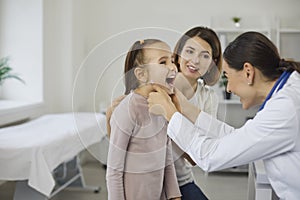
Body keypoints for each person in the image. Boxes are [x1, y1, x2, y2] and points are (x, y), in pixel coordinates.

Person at [147, 31, 300, 200]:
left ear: (248, 73)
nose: (228, 89)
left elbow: (210, 156)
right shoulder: (288, 93)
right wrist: (185, 108)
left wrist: (170, 113)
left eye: (227, 76)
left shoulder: (284, 110)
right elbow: (237, 137)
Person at [106, 39, 181, 200]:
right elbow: (114, 171)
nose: (173, 67)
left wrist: (175, 196)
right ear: (141, 74)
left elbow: (167, 159)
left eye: (172, 61)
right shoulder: (128, 110)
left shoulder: (162, 105)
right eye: (163, 62)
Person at [171, 26, 222, 200]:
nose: (195, 60)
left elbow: (201, 154)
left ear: (212, 64)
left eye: (205, 56)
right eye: (190, 51)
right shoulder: (161, 84)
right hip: (149, 178)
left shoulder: (208, 98)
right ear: (178, 54)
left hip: (182, 180)